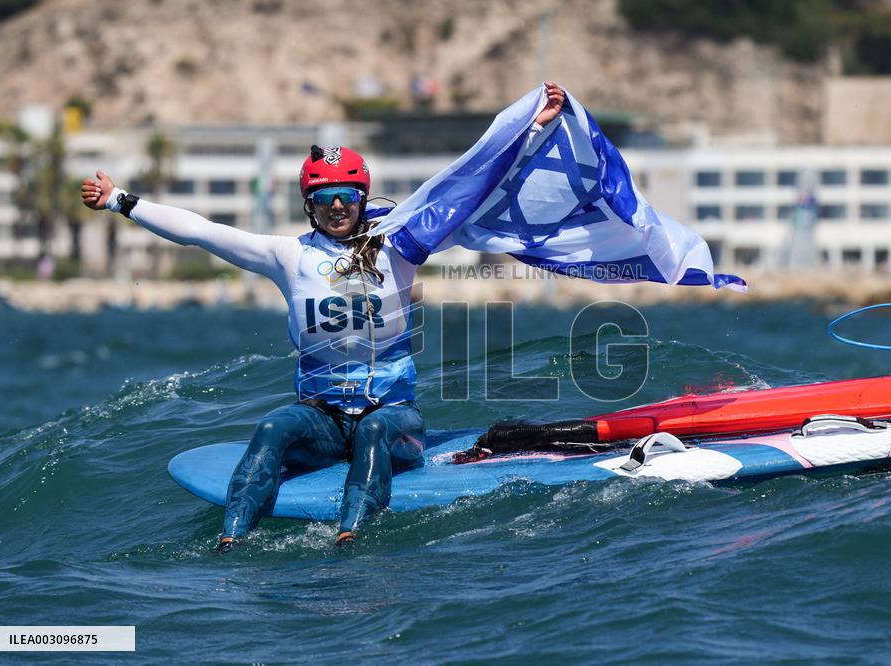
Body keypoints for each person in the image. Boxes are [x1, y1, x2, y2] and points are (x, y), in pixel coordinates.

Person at [81, 83, 567, 550]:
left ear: (362, 198)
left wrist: (531, 132)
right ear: (309, 205)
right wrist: (121, 201)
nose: (337, 206)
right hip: (324, 423)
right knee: (273, 427)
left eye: (348, 197)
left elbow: (470, 189)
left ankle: (351, 537)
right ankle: (229, 539)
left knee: (375, 432)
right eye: (324, 198)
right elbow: (203, 232)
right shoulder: (287, 256)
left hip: (395, 421)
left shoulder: (400, 246)